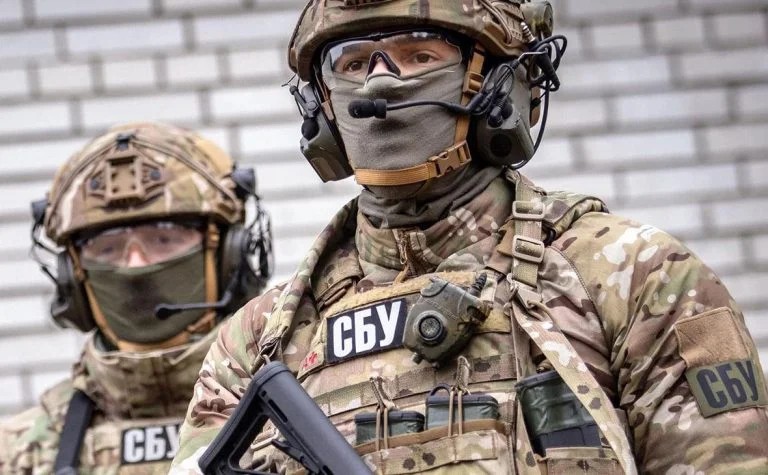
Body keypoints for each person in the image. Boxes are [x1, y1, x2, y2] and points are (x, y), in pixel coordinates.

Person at [172, 1, 768, 473]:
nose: (379, 86)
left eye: (418, 55)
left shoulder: (636, 275)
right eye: (353, 64)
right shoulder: (256, 343)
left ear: (497, 86)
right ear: (322, 108)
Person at [0, 122, 272, 474]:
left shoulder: (301, 408)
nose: (135, 263)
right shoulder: (21, 453)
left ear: (229, 257)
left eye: (164, 238)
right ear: (73, 276)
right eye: (107, 247)